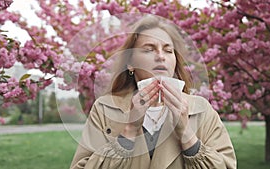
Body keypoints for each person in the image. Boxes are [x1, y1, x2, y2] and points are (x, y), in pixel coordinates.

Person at [70, 15, 236, 169]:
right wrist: (128, 132)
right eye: (149, 49)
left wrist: (187, 135)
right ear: (130, 63)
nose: (161, 56)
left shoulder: (201, 109)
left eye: (168, 50)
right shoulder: (105, 108)